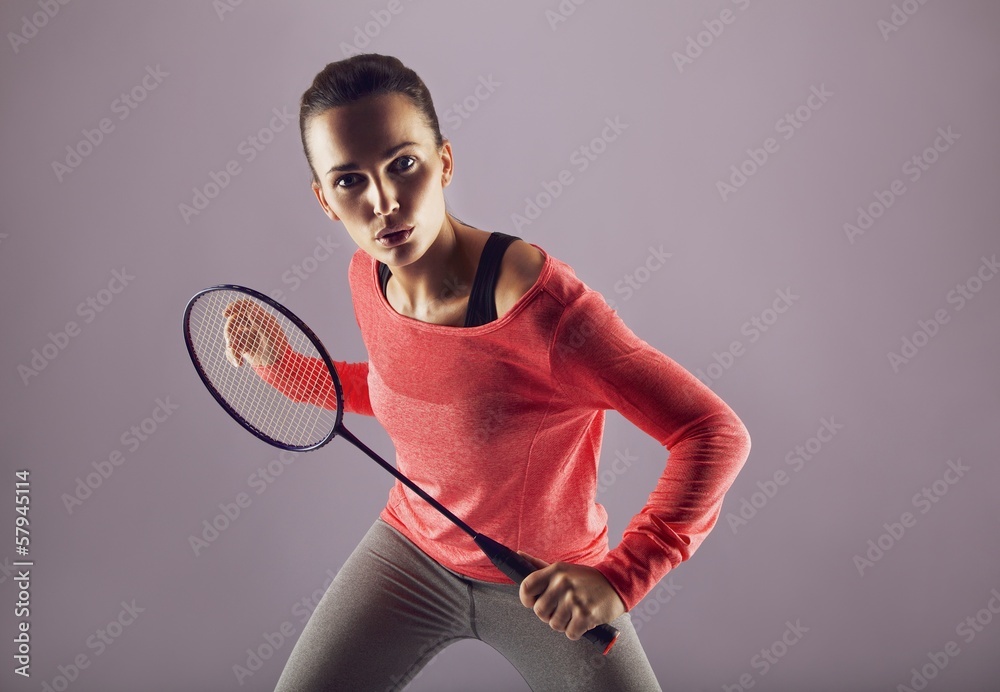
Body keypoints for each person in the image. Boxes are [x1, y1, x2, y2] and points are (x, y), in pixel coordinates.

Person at [223, 53, 752, 692]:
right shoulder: (369, 277)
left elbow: (712, 433)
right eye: (350, 182)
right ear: (325, 201)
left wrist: (620, 578)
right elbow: (402, 393)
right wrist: (281, 367)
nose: (384, 202)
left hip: (541, 583)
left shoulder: (540, 308)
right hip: (410, 554)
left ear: (444, 161)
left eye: (403, 165)